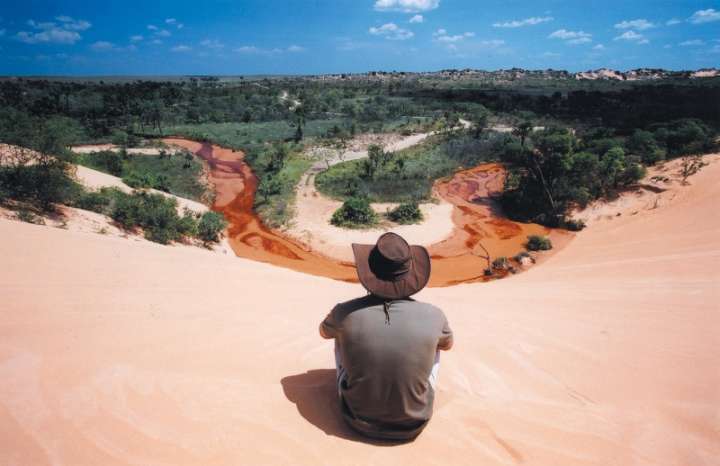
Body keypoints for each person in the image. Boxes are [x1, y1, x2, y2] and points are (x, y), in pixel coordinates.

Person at [319, 232, 454, 440]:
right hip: (415, 424)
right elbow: (448, 345)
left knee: (338, 334)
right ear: (409, 274)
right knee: (437, 343)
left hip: (356, 420)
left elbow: (322, 332)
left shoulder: (344, 312)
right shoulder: (434, 315)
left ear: (368, 272)